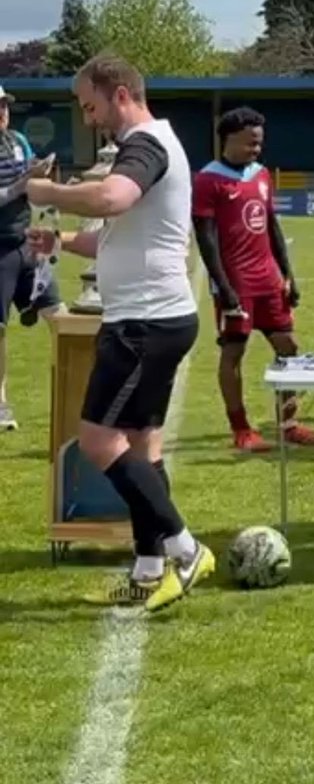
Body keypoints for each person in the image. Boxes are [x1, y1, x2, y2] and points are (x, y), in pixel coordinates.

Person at [27, 55, 213, 610]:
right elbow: (118, 234)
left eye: (91, 106)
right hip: (154, 318)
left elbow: (112, 199)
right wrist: (60, 241)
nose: (89, 121)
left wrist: (48, 193)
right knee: (140, 445)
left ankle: (185, 548)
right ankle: (150, 567)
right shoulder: (154, 144)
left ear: (121, 94)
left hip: (144, 323)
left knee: (98, 442)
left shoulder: (146, 144)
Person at [192, 106, 314, 453]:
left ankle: (289, 424)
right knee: (234, 352)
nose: (257, 149)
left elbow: (272, 227)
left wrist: (288, 275)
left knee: (289, 348)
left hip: (268, 278)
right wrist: (224, 286)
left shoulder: (262, 175)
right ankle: (241, 430)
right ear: (228, 139)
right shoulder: (208, 180)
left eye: (259, 142)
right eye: (251, 142)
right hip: (235, 282)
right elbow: (205, 239)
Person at [0, 83, 62, 431]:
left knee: (60, 314)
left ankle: (80, 390)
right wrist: (22, 184)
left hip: (27, 245)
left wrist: (41, 179)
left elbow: (32, 196)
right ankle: (0, 404)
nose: (2, 113)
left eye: (5, 106)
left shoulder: (18, 142)